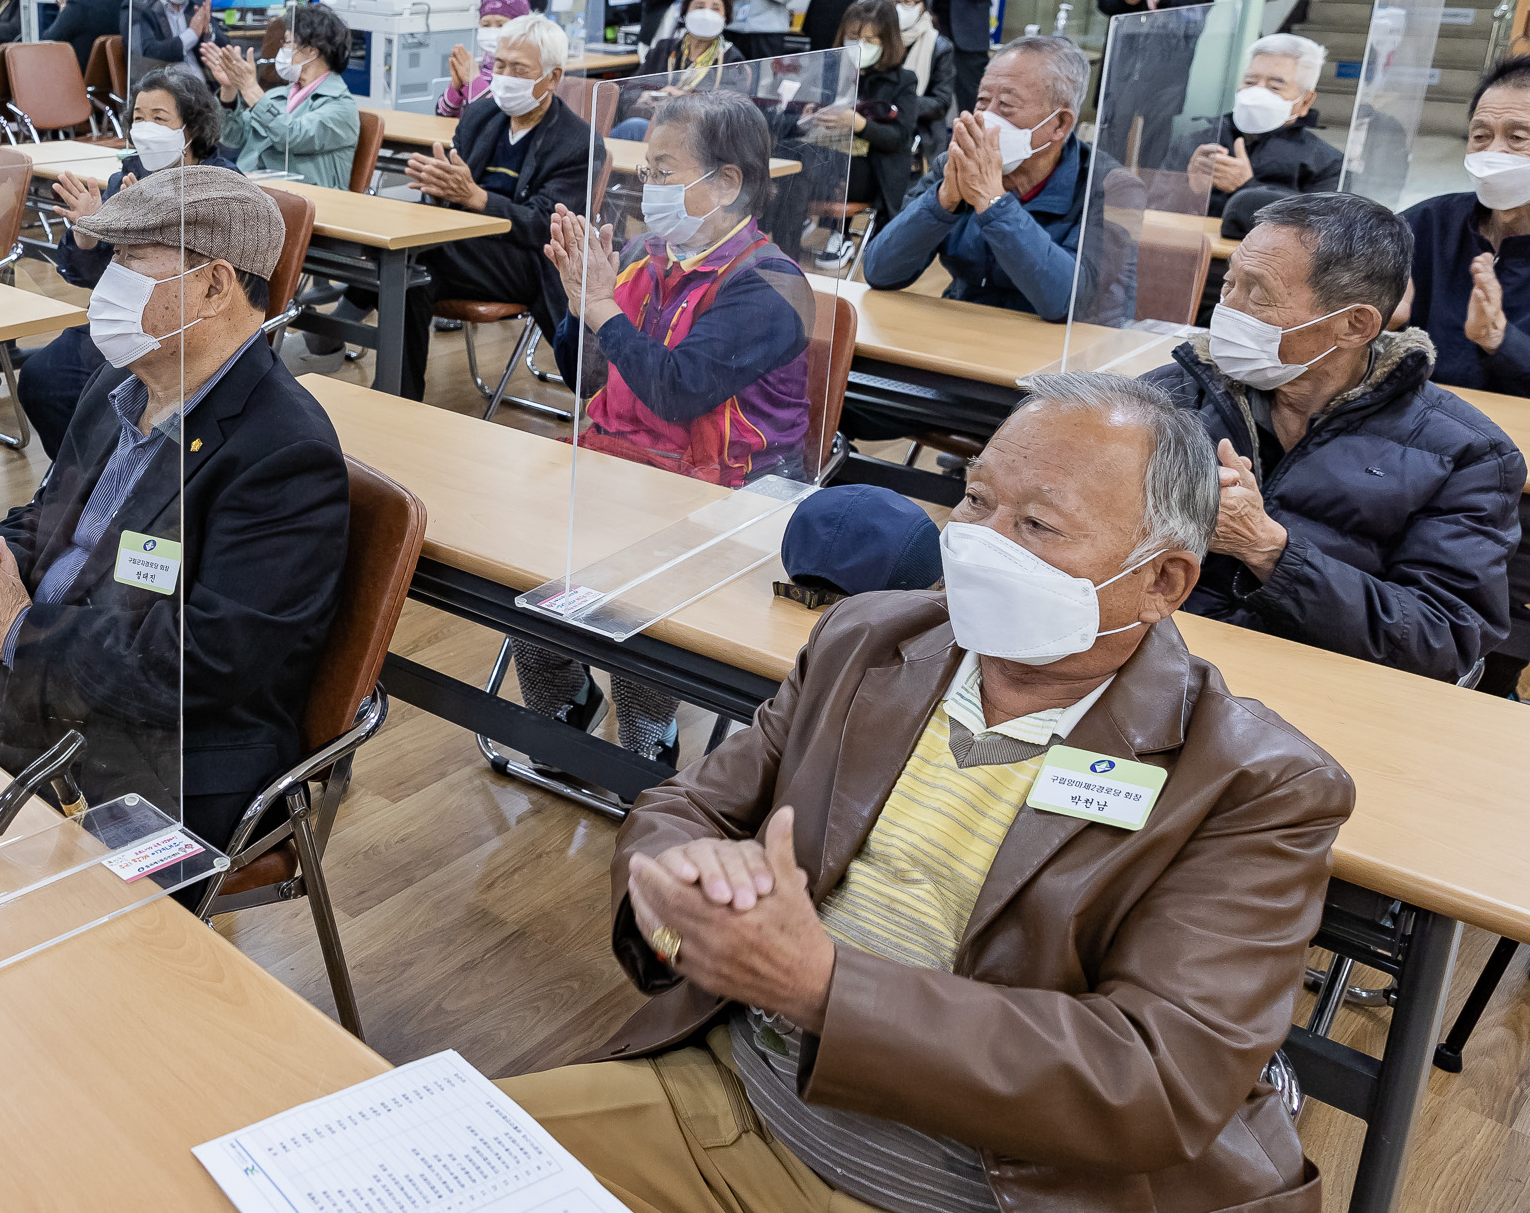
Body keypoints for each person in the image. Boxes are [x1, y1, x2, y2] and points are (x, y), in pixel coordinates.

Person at [501, 370, 1350, 1213]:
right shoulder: (869, 637)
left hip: (978, 1190)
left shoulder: (1253, 783)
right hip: (724, 1100)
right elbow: (693, 807)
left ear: (1164, 581)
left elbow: (1153, 1075)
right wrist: (677, 890)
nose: (980, 540)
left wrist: (825, 988)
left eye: (1038, 523)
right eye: (976, 498)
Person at [0, 165, 348, 852]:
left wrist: (19, 626)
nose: (108, 282)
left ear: (214, 284)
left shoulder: (284, 454)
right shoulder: (122, 384)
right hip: (46, 700)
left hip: (156, 764)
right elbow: (58, 513)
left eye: (130, 261)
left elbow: (201, 665)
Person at [513, 93, 812, 768]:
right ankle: (564, 706)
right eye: (645, 171)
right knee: (519, 561)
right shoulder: (650, 258)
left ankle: (649, 738)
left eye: (663, 171)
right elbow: (587, 378)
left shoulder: (770, 285)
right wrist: (576, 301)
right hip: (631, 472)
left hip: (729, 502)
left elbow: (677, 391)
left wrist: (598, 307)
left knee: (634, 605)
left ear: (726, 183)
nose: (647, 189)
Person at [1141, 192, 1521, 684]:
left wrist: (1267, 549)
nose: (1226, 312)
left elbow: (1442, 640)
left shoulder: (1467, 455)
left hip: (1321, 692)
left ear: (1353, 324)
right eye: (1228, 283)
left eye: (1257, 294)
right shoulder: (1168, 394)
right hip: (1164, 665)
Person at [363, 12, 595, 400]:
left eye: (518, 68)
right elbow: (451, 189)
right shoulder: (481, 114)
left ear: (552, 78)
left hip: (523, 261)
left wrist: (476, 197)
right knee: (411, 274)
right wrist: (439, 186)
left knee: (406, 255)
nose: (503, 75)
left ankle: (352, 328)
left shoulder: (577, 142)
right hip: (456, 248)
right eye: (498, 65)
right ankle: (396, 398)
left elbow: (544, 224)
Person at [19, 68, 237, 455]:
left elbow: (213, 276)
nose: (145, 127)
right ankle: (80, 477)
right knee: (42, 377)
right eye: (138, 117)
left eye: (159, 118)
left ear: (190, 128)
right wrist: (88, 234)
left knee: (100, 391)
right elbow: (90, 275)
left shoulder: (220, 183)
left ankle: (120, 473)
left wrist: (150, 224)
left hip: (182, 326)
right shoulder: (130, 172)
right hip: (125, 316)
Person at [1401, 56, 1530, 696]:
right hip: (1410, 455)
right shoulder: (1429, 223)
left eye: (1518, 139)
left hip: (1509, 483)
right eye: (1481, 135)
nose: (1494, 151)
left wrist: (1504, 344)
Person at [860, 34, 1107, 320]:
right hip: (963, 333)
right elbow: (880, 272)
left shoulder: (1106, 187)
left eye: (1006, 106)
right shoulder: (955, 166)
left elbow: (1066, 302)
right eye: (982, 102)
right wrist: (944, 200)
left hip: (1060, 351)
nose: (987, 118)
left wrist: (993, 201)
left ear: (1059, 124)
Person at [1163, 33, 1342, 236]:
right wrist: (1191, 189)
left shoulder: (1326, 163)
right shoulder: (1197, 142)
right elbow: (1153, 209)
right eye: (1250, 81)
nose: (1257, 93)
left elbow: (1320, 235)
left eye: (1275, 86)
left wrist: (1246, 187)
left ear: (1305, 101)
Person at [201, 2, 359, 186]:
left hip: (308, 202)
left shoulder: (341, 107)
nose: (281, 49)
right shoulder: (279, 95)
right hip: (258, 191)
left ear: (311, 51)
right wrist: (230, 88)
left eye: (287, 42)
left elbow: (292, 136)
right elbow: (232, 137)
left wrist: (250, 88)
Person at [832, 0, 917, 227]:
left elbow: (899, 138)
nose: (859, 45)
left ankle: (837, 235)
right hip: (831, 157)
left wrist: (860, 125)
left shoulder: (903, 81)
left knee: (812, 169)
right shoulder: (833, 70)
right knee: (800, 166)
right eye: (853, 38)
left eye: (869, 40)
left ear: (887, 42)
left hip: (873, 170)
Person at [879, 0, 956, 166]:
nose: (898, 7)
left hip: (919, 133)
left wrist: (895, 104)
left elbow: (940, 103)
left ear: (924, 4)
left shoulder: (940, 46)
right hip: (872, 126)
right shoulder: (872, 39)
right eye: (892, 0)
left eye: (908, 1)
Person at [443, 0, 534, 117]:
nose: (492, 31)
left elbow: (501, 121)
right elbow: (443, 116)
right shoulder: (478, 66)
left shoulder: (526, 72)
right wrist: (455, 88)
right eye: (485, 25)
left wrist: (473, 81)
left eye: (501, 24)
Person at [632, 0, 735, 94]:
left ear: (725, 17)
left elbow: (733, 107)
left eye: (715, 9)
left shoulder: (732, 60)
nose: (706, 14)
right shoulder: (663, 49)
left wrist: (684, 100)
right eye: (699, 7)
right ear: (685, 11)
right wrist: (642, 98)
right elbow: (631, 89)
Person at [130, 0, 222, 79]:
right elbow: (147, 54)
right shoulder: (139, 8)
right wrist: (192, 34)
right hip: (165, 85)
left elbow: (225, 46)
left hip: (206, 86)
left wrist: (207, 33)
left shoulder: (196, 4)